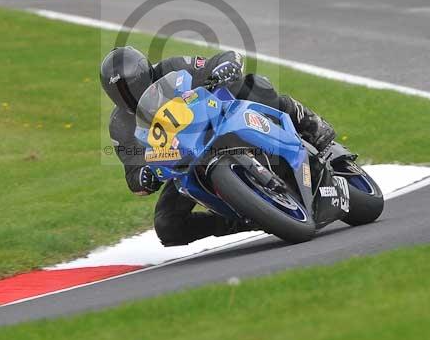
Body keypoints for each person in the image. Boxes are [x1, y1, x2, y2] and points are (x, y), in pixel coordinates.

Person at [100, 46, 341, 246]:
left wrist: (225, 67)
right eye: (120, 93)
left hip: (217, 123)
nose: (129, 95)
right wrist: (143, 176)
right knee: (167, 226)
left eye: (131, 85)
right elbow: (132, 172)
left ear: (146, 72)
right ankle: (242, 218)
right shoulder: (120, 125)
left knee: (252, 85)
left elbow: (222, 58)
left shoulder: (172, 68)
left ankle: (308, 122)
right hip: (186, 166)